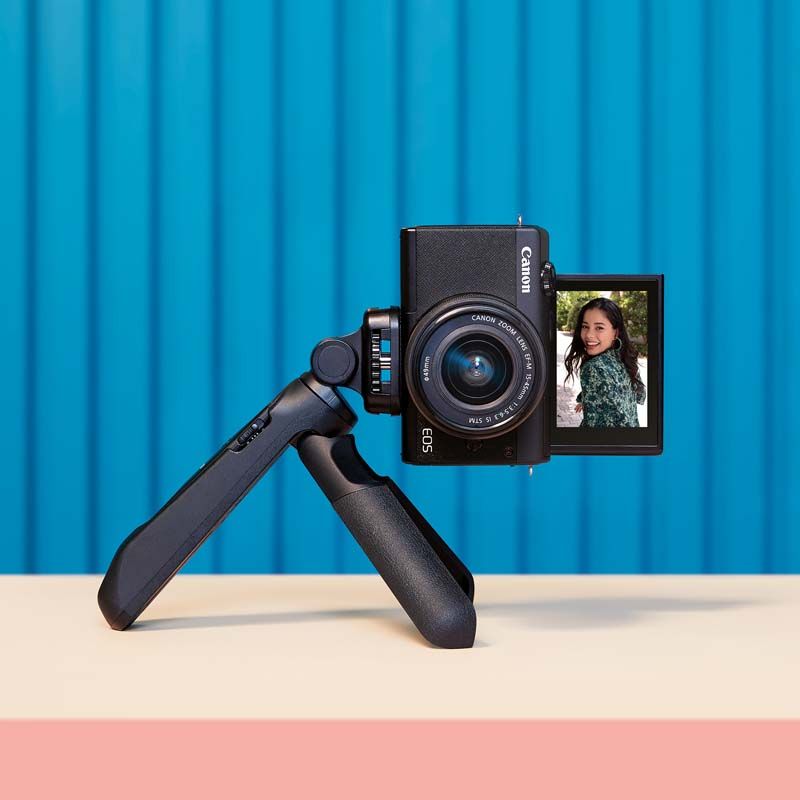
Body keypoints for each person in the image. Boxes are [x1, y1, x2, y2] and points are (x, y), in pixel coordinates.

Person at [563, 297, 646, 427]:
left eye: (599, 328)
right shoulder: (625, 358)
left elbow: (593, 424)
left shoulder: (593, 368)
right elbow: (640, 394)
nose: (588, 335)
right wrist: (589, 398)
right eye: (585, 326)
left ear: (615, 333)